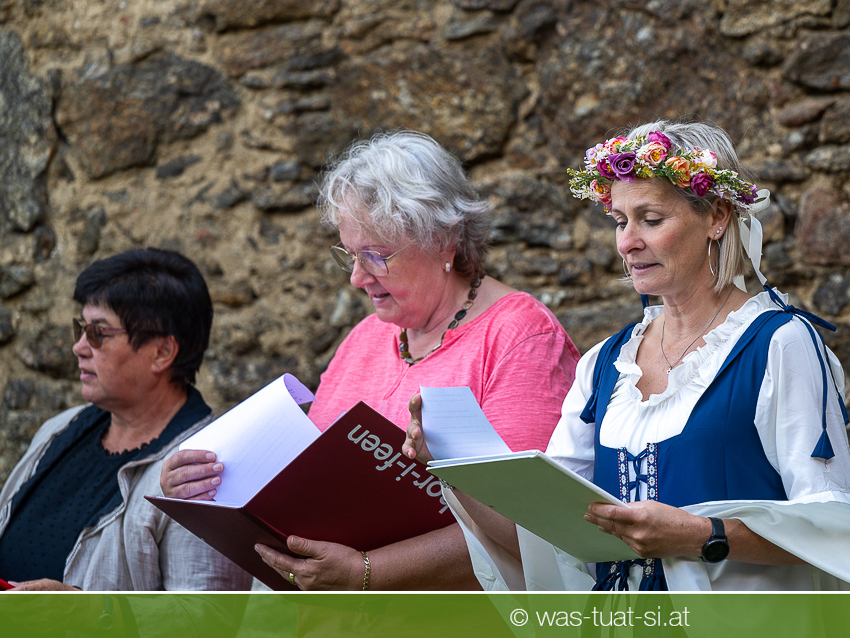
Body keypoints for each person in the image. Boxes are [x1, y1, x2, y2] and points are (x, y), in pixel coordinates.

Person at [404, 120, 850, 591]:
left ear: (717, 217)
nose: (627, 242)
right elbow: (543, 536)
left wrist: (701, 535)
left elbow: (837, 531)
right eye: (620, 221)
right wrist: (452, 467)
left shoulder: (779, 344)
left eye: (651, 219)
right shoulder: (603, 366)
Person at [160, 131, 579, 590]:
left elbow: (530, 530)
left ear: (443, 241)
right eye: (350, 255)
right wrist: (207, 483)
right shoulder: (366, 337)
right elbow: (306, 480)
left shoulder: (521, 336)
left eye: (376, 256)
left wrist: (367, 572)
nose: (358, 278)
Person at [0, 248, 251, 595]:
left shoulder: (200, 472)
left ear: (162, 352)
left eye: (98, 333)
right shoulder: (58, 429)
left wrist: (82, 613)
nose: (78, 347)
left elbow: (203, 619)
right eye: (80, 328)